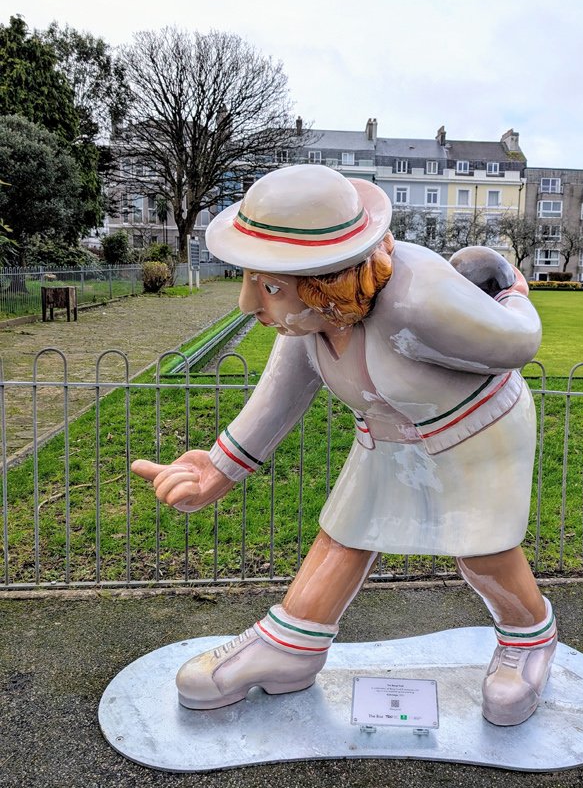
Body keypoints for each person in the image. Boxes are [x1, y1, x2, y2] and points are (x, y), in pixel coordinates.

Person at [130, 164, 555, 726]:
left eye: (270, 286)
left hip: (476, 424)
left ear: (328, 281)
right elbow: (277, 400)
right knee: (345, 533)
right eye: (253, 279)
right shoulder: (309, 323)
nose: (247, 304)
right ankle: (291, 648)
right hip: (385, 429)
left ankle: (529, 638)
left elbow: (518, 340)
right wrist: (216, 469)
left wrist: (510, 292)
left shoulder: (419, 296)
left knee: (481, 549)